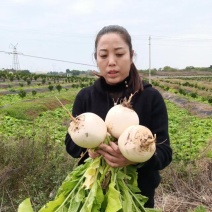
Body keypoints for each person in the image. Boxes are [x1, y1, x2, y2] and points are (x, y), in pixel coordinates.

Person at [65, 25, 172, 208]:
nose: (111, 62)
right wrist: (90, 149)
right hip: (91, 196)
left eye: (119, 54)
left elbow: (164, 153)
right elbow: (70, 143)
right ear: (96, 58)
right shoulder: (85, 96)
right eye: (104, 55)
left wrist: (135, 158)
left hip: (138, 198)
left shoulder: (151, 97)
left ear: (131, 56)